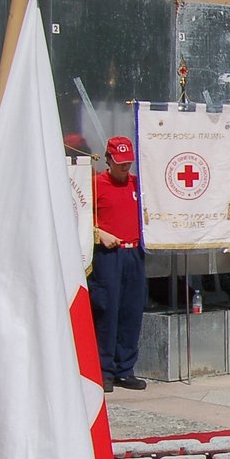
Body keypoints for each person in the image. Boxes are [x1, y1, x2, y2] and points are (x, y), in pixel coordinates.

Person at [91, 136, 147, 392]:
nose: (125, 168)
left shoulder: (138, 185)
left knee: (131, 311)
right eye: (120, 163)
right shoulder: (96, 185)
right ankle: (104, 370)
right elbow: (81, 218)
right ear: (109, 160)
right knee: (107, 311)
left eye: (128, 163)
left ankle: (126, 368)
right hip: (108, 255)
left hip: (133, 253)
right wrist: (98, 233)